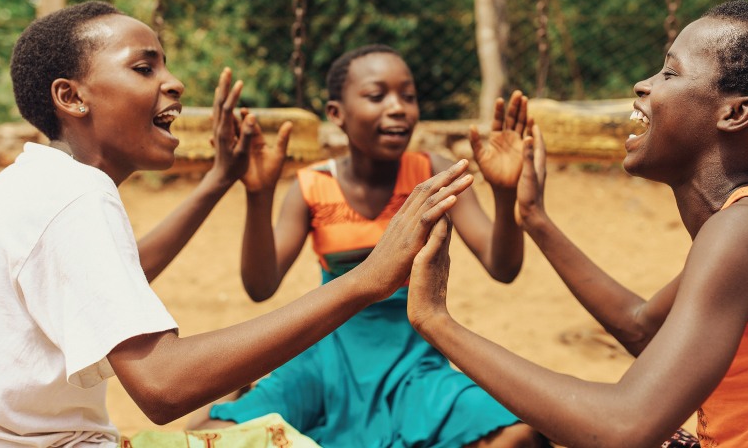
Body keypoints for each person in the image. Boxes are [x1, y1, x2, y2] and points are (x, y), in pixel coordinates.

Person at [0, 2, 473, 446]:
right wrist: (366, 280)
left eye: (165, 65)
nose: (174, 83)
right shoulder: (74, 196)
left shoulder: (41, 181)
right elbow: (163, 384)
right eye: (143, 67)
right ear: (71, 97)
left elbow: (123, 279)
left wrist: (220, 178)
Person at [405, 1, 748, 448]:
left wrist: (436, 321)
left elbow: (623, 427)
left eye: (670, 72)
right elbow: (643, 329)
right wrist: (534, 218)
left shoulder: (746, 235)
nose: (644, 85)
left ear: (736, 113)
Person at [188, 45, 545, 448]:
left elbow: (503, 266)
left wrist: (504, 193)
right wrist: (259, 194)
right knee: (212, 438)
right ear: (336, 114)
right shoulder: (311, 187)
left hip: (414, 366)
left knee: (517, 436)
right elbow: (260, 285)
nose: (399, 108)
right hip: (322, 362)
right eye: (377, 96)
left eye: (408, 96)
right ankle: (243, 395)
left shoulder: (434, 173)